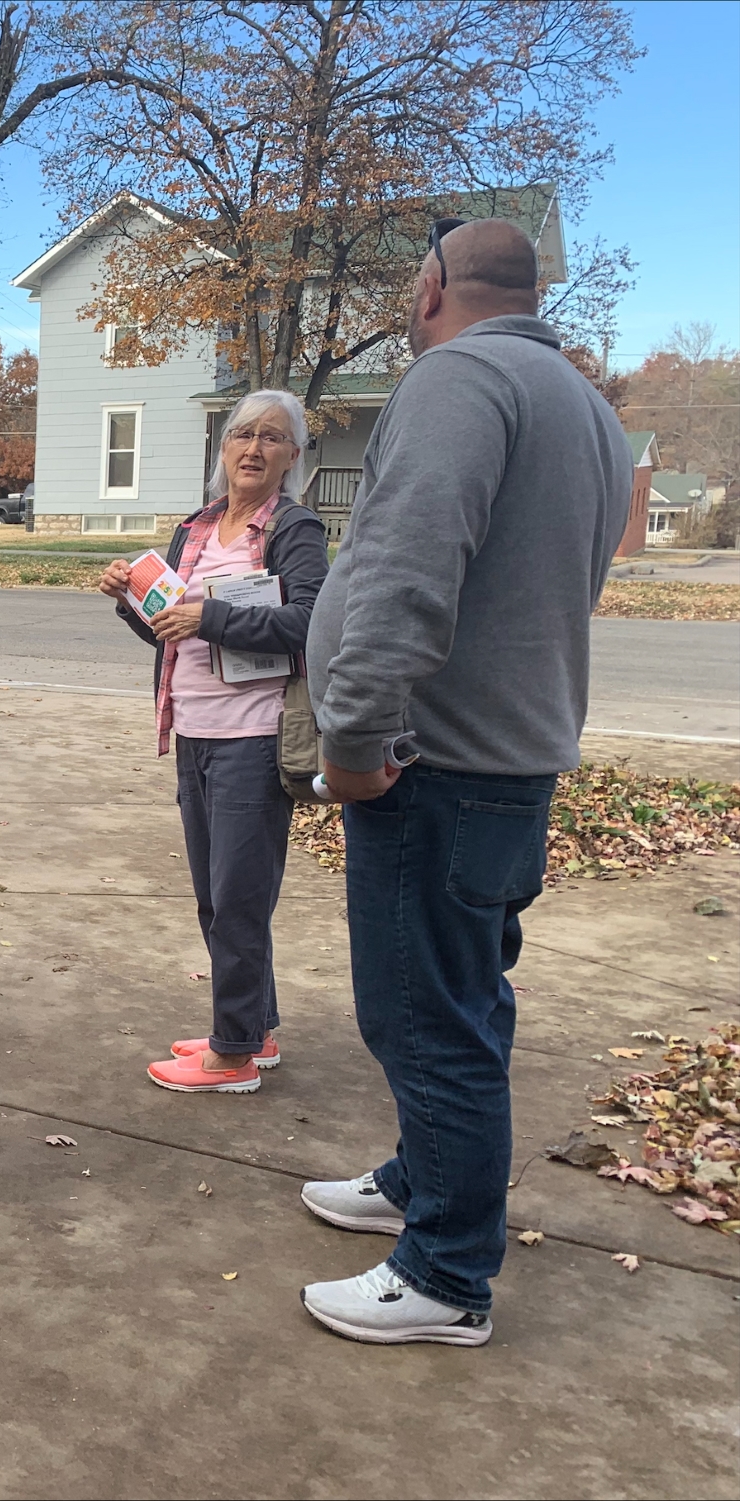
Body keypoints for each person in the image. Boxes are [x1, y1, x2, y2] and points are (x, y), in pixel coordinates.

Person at [299, 218, 631, 1344]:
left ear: (430, 284)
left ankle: (442, 1272)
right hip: (506, 760)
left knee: (420, 1014)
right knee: (462, 1001)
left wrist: (351, 740)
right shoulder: (581, 403)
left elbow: (402, 568)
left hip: (430, 765)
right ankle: (417, 1178)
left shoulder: (456, 379)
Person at [100, 389, 328, 1094]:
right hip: (194, 731)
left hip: (254, 739)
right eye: (242, 435)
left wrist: (212, 617)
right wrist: (129, 601)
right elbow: (174, 628)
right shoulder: (196, 528)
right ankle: (250, 1029)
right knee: (215, 893)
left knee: (238, 897)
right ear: (222, 448)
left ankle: (230, 1058)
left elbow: (313, 622)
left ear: (293, 456)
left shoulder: (293, 529)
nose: (253, 448)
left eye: (271, 437)